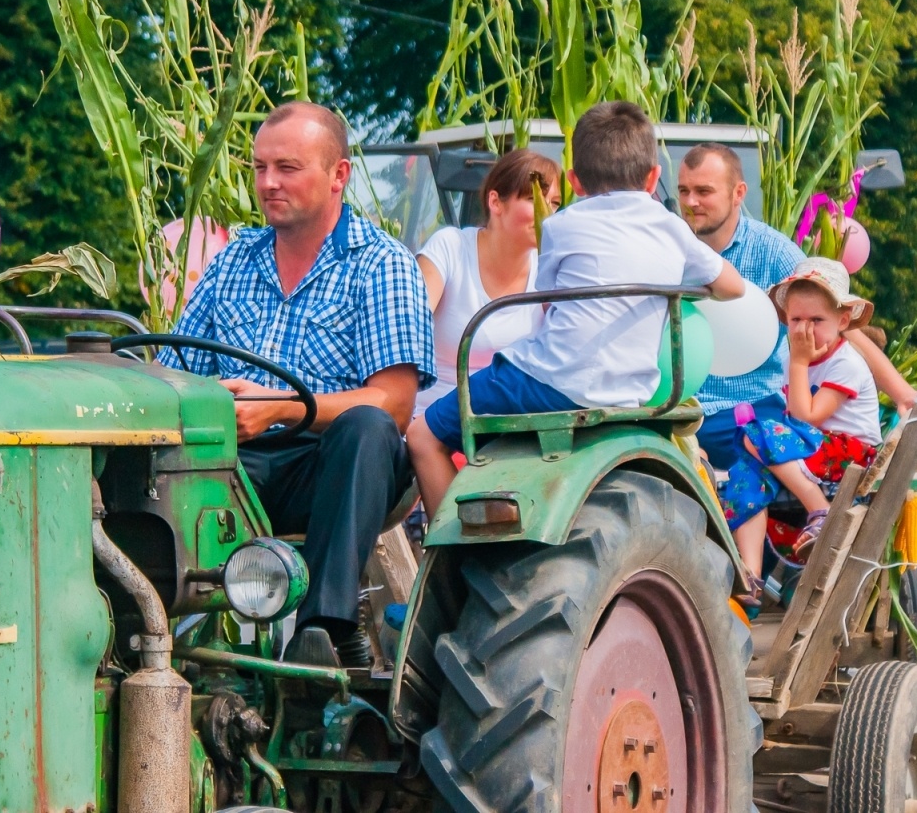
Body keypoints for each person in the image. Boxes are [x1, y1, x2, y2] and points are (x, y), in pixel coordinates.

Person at [158, 102, 435, 668]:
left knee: (368, 427)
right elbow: (172, 368)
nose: (268, 183)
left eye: (287, 168)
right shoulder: (234, 260)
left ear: (338, 175)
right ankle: (136, 629)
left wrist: (282, 407)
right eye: (260, 167)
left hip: (328, 465)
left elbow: (395, 403)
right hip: (233, 460)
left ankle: (325, 630)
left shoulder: (381, 263)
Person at [407, 102, 745, 515]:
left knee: (423, 436)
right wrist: (675, 284)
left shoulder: (560, 225)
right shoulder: (673, 228)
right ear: (653, 177)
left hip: (549, 383)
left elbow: (549, 296)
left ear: (574, 181)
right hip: (632, 393)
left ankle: (449, 544)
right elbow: (733, 287)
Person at [720, 259, 885, 593]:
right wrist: (797, 361)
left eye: (816, 321)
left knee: (758, 432)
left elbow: (805, 417)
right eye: (796, 320)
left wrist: (798, 361)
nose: (803, 331)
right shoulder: (793, 358)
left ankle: (819, 509)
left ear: (842, 321)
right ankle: (750, 575)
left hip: (848, 454)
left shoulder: (846, 364)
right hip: (812, 449)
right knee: (746, 473)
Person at [676, 145, 805, 470]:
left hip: (750, 407)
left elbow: (833, 319)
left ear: (738, 193)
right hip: (679, 411)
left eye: (704, 191)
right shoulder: (666, 248)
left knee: (763, 447)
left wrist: (899, 392)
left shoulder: (774, 252)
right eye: (684, 191)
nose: (691, 202)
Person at [414, 149, 561, 418]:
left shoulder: (548, 267)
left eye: (554, 204)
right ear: (495, 202)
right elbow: (409, 326)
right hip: (431, 416)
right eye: (534, 199)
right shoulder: (451, 247)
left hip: (506, 421)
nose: (547, 214)